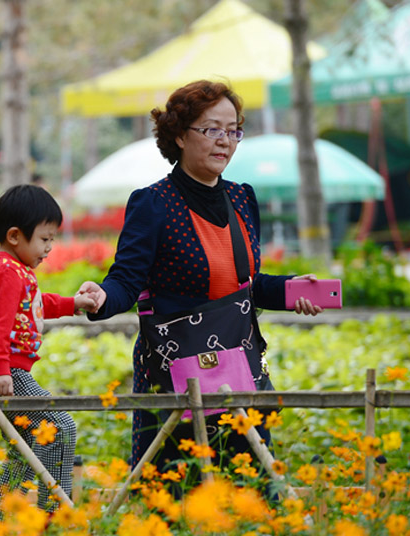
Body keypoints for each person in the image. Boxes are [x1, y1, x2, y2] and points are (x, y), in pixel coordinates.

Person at [77, 80, 323, 479]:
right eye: (212, 129)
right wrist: (102, 296)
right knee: (175, 489)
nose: (224, 141)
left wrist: (293, 290)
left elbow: (247, 284)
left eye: (233, 130)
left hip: (238, 367)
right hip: (175, 371)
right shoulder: (153, 203)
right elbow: (127, 279)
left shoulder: (242, 198)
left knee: (249, 485)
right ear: (179, 135)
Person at [0, 184, 97, 525]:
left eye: (52, 239)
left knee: (25, 446)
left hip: (7, 370)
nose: (49, 248)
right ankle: (56, 513)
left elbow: (39, 305)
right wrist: (0, 370)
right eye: (44, 239)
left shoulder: (17, 272)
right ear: (15, 236)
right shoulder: (6, 274)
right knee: (60, 426)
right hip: (4, 372)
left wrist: (75, 304)